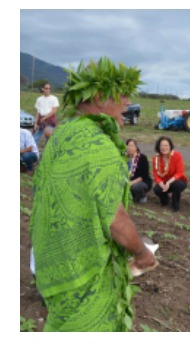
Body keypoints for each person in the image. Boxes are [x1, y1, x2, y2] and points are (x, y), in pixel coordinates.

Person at [29, 57, 157, 331]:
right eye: (122, 95)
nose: (127, 102)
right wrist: (143, 253)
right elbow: (114, 219)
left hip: (56, 262)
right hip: (85, 271)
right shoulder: (99, 145)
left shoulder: (63, 135)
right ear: (98, 97)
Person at [152, 136, 188, 211]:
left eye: (166, 145)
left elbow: (180, 172)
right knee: (157, 189)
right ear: (158, 147)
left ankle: (175, 204)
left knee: (177, 185)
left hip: (177, 180)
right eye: (161, 145)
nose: (164, 148)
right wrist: (162, 184)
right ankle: (165, 200)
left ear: (170, 146)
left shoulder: (177, 155)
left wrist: (169, 182)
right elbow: (155, 175)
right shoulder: (155, 158)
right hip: (164, 181)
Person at [125, 138, 152, 204]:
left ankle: (143, 196)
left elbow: (144, 175)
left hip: (141, 181)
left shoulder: (142, 158)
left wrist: (132, 182)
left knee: (137, 187)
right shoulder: (124, 158)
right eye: (128, 146)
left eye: (132, 146)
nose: (130, 148)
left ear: (136, 147)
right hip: (127, 180)